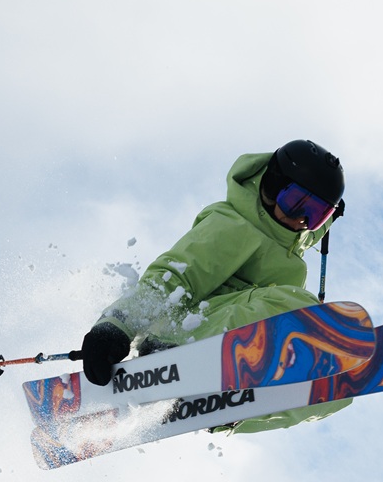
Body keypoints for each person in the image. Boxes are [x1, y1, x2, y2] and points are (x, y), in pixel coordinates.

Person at [79, 140, 352, 433]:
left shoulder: (292, 256)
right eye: (296, 202)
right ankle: (192, 361)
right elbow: (173, 278)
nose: (301, 219)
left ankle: (229, 407)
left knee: (337, 382)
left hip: (235, 361)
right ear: (273, 186)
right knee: (298, 310)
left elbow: (302, 231)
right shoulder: (233, 224)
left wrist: (326, 219)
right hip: (182, 333)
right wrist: (116, 326)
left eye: (316, 214)